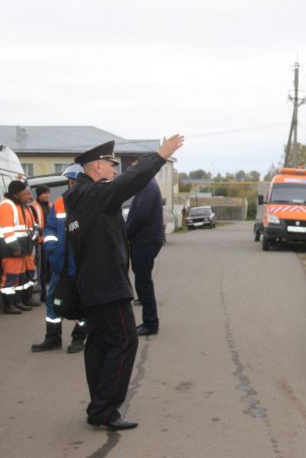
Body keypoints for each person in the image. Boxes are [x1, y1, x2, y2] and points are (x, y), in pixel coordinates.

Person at [66, 136, 183, 431]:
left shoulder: (79, 196)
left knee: (99, 345)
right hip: (107, 286)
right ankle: (106, 409)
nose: (114, 170)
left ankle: (99, 405)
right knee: (124, 342)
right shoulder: (94, 195)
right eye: (110, 164)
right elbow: (129, 182)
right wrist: (158, 156)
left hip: (91, 286)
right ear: (95, 168)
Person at [31, 164, 87, 353]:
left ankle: (79, 337)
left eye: (76, 182)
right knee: (53, 301)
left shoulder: (90, 203)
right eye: (70, 182)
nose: (72, 186)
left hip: (82, 266)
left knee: (82, 302)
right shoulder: (60, 203)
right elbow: (50, 229)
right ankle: (53, 337)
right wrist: (52, 250)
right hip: (60, 265)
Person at [126, 159, 165, 336]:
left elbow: (140, 214)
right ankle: (150, 321)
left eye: (133, 168)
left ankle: (150, 323)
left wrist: (124, 233)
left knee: (143, 282)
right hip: (145, 239)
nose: (131, 171)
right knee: (143, 281)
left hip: (145, 240)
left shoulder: (147, 185)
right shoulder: (146, 184)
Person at [0, 180, 36, 315]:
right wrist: (15, 247)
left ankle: (17, 302)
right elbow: (7, 229)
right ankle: (8, 305)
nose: (28, 195)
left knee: (19, 276)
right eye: (25, 193)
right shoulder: (7, 205)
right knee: (10, 277)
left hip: (20, 247)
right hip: (11, 249)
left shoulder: (18, 205)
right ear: (17, 194)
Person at [30, 184, 51, 304]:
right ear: (38, 194)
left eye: (48, 192)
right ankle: (43, 294)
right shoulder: (33, 207)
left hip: (50, 241)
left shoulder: (49, 205)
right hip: (40, 243)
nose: (47, 195)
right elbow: (35, 225)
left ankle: (49, 293)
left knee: (50, 269)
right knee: (42, 270)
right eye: (44, 193)